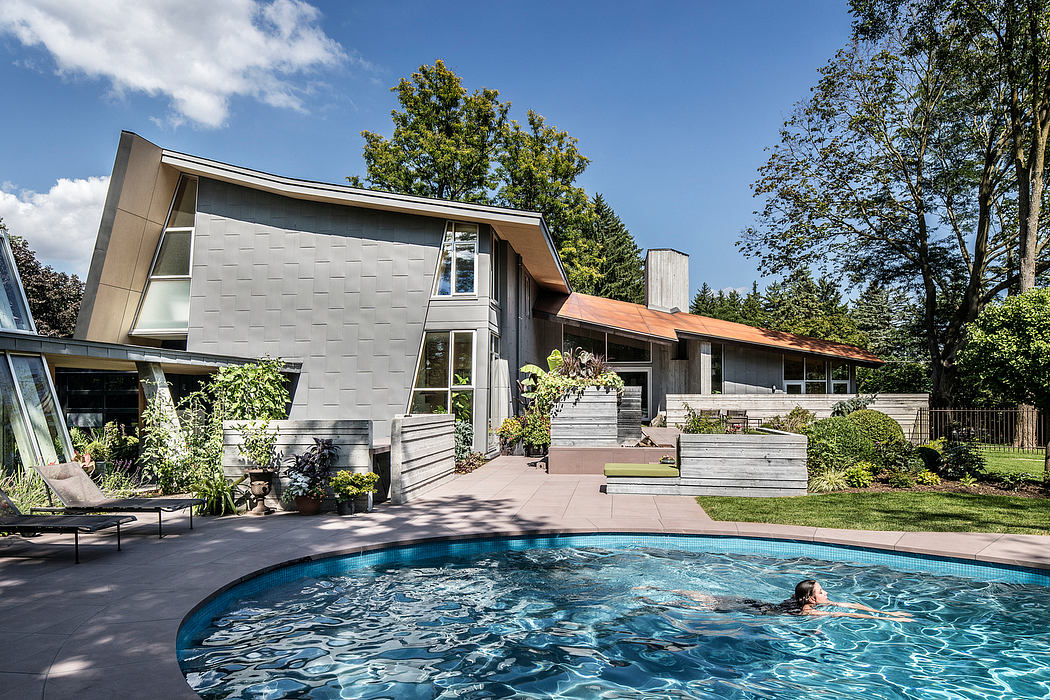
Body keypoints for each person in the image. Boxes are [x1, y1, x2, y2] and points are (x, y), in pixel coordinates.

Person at [635, 579, 913, 620]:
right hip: (756, 611)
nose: (826, 594)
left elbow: (850, 606)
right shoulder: (809, 612)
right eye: (821, 591)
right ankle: (661, 600)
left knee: (708, 598)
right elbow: (846, 615)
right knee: (704, 604)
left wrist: (887, 614)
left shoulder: (814, 602)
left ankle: (660, 589)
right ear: (811, 598)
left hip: (754, 601)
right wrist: (871, 618)